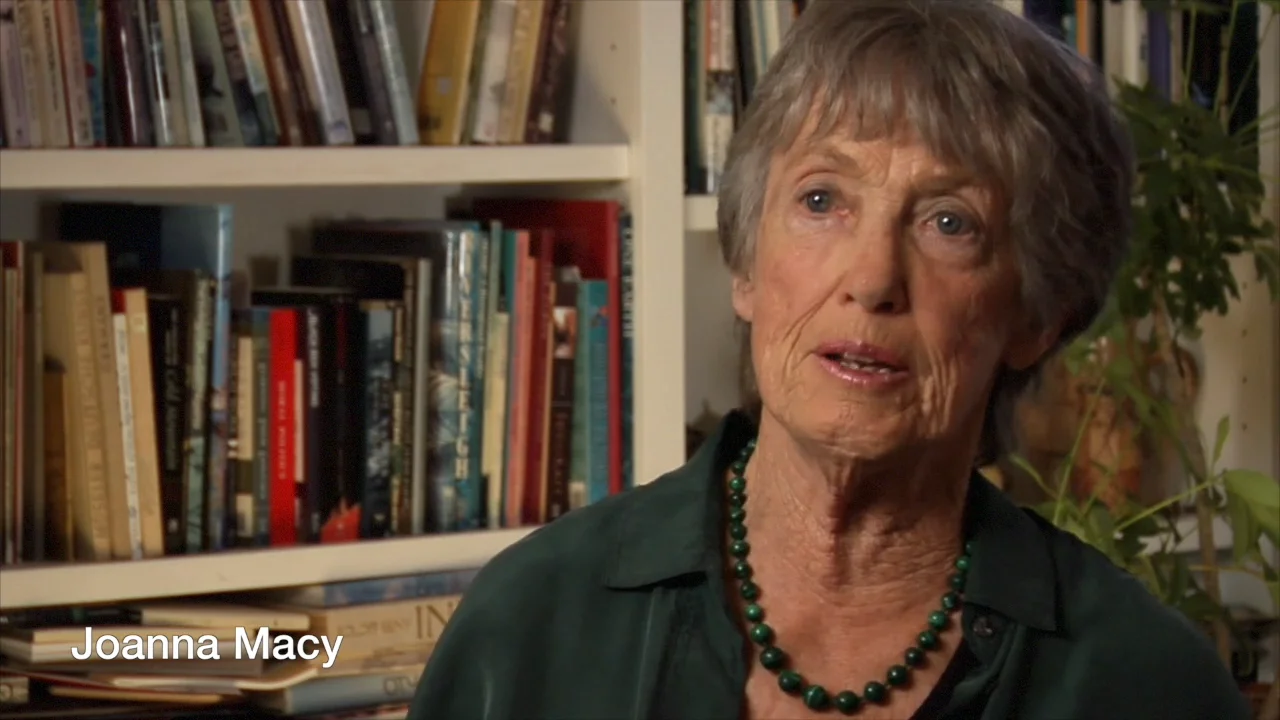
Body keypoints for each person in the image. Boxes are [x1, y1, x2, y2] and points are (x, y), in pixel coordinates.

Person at [406, 1, 1250, 718]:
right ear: (745, 264)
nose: (873, 279)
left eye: (949, 223)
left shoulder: (1146, 683)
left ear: (1037, 317)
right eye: (821, 200)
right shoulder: (530, 625)